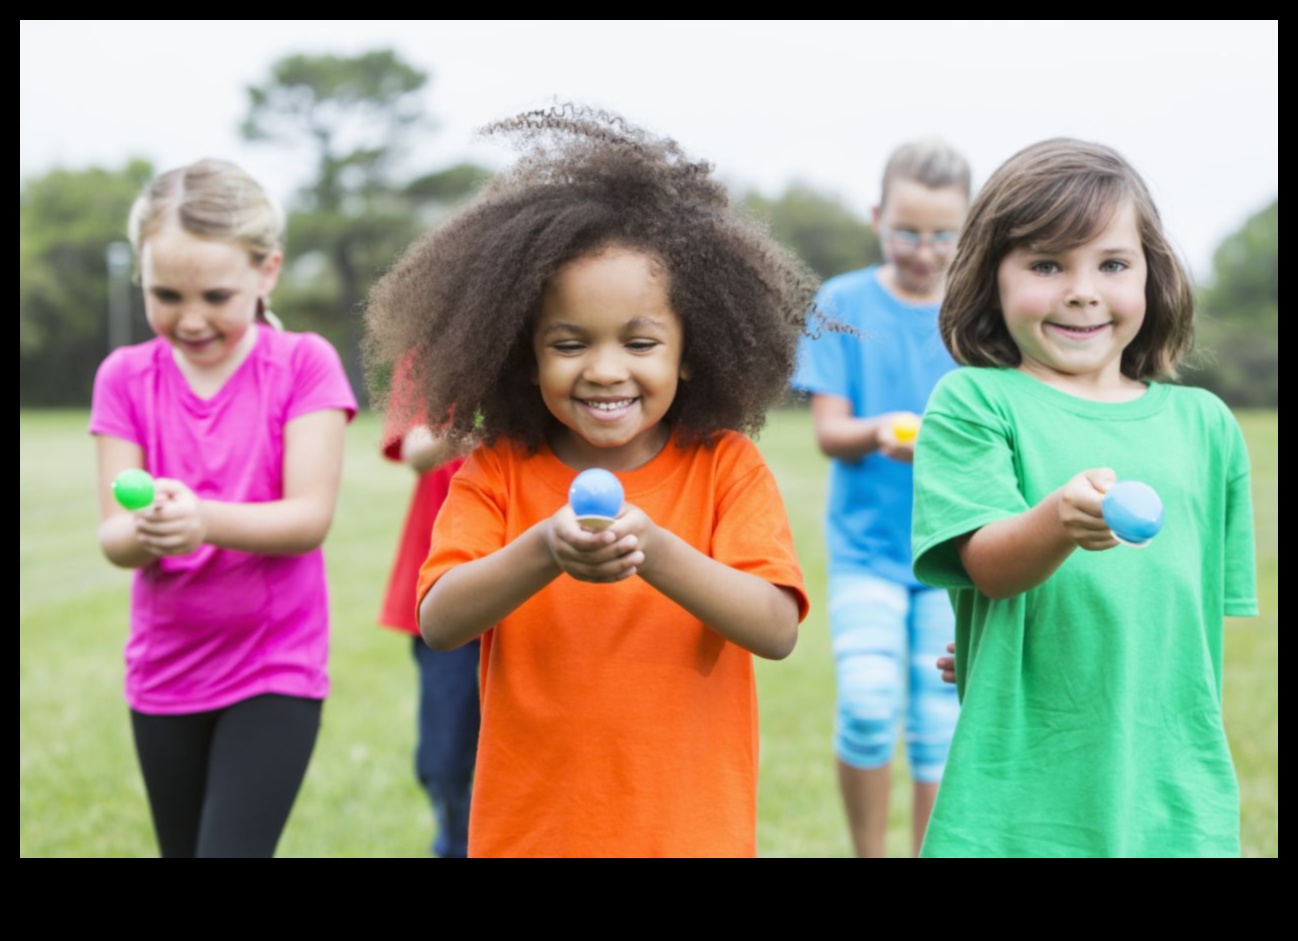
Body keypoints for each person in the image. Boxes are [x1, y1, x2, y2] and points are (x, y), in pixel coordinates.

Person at [363, 104, 817, 858]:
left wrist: (659, 551)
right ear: (524, 357)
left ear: (691, 351)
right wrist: (544, 549)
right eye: (569, 343)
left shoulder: (726, 465)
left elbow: (775, 628)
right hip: (530, 834)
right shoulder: (498, 469)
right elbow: (441, 619)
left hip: (689, 834)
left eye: (640, 341)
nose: (605, 369)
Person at [911, 138, 1258, 857]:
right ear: (991, 276)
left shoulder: (1207, 427)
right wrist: (1056, 524)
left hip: (1171, 794)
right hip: (1021, 801)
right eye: (1046, 264)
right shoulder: (975, 402)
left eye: (1112, 264)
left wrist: (1007, 637)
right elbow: (990, 565)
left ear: (1151, 275)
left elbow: (1182, 623)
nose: (1082, 289)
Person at [90, 159, 357, 858]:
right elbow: (114, 538)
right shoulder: (123, 377)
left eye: (215, 293)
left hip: (275, 665)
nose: (192, 317)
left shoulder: (304, 364)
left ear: (267, 271)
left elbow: (308, 518)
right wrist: (149, 531)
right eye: (166, 294)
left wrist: (203, 519)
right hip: (165, 670)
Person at [791, 139, 970, 857]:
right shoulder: (842, 302)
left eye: (941, 234)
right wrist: (887, 433)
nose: (923, 250)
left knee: (938, 723)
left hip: (950, 551)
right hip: (867, 552)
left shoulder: (975, 310)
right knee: (867, 706)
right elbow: (830, 431)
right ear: (877, 217)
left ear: (967, 228)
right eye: (907, 231)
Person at [376, 410, 479, 859]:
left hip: (550, 593)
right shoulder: (432, 348)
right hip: (446, 589)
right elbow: (418, 450)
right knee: (444, 761)